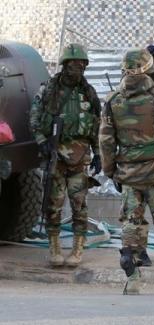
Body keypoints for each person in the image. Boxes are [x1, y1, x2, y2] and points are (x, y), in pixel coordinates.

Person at [99, 48, 154, 294]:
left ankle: (132, 274)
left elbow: (106, 141)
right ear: (148, 68)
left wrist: (110, 170)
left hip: (128, 175)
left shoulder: (113, 101)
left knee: (131, 223)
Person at [30, 43, 101, 268]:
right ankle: (55, 247)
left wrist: (99, 153)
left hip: (80, 156)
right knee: (54, 204)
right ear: (64, 65)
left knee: (79, 204)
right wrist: (42, 142)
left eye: (81, 64)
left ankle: (78, 249)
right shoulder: (48, 90)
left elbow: (97, 125)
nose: (77, 68)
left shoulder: (88, 92)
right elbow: (34, 118)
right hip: (55, 155)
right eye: (73, 64)